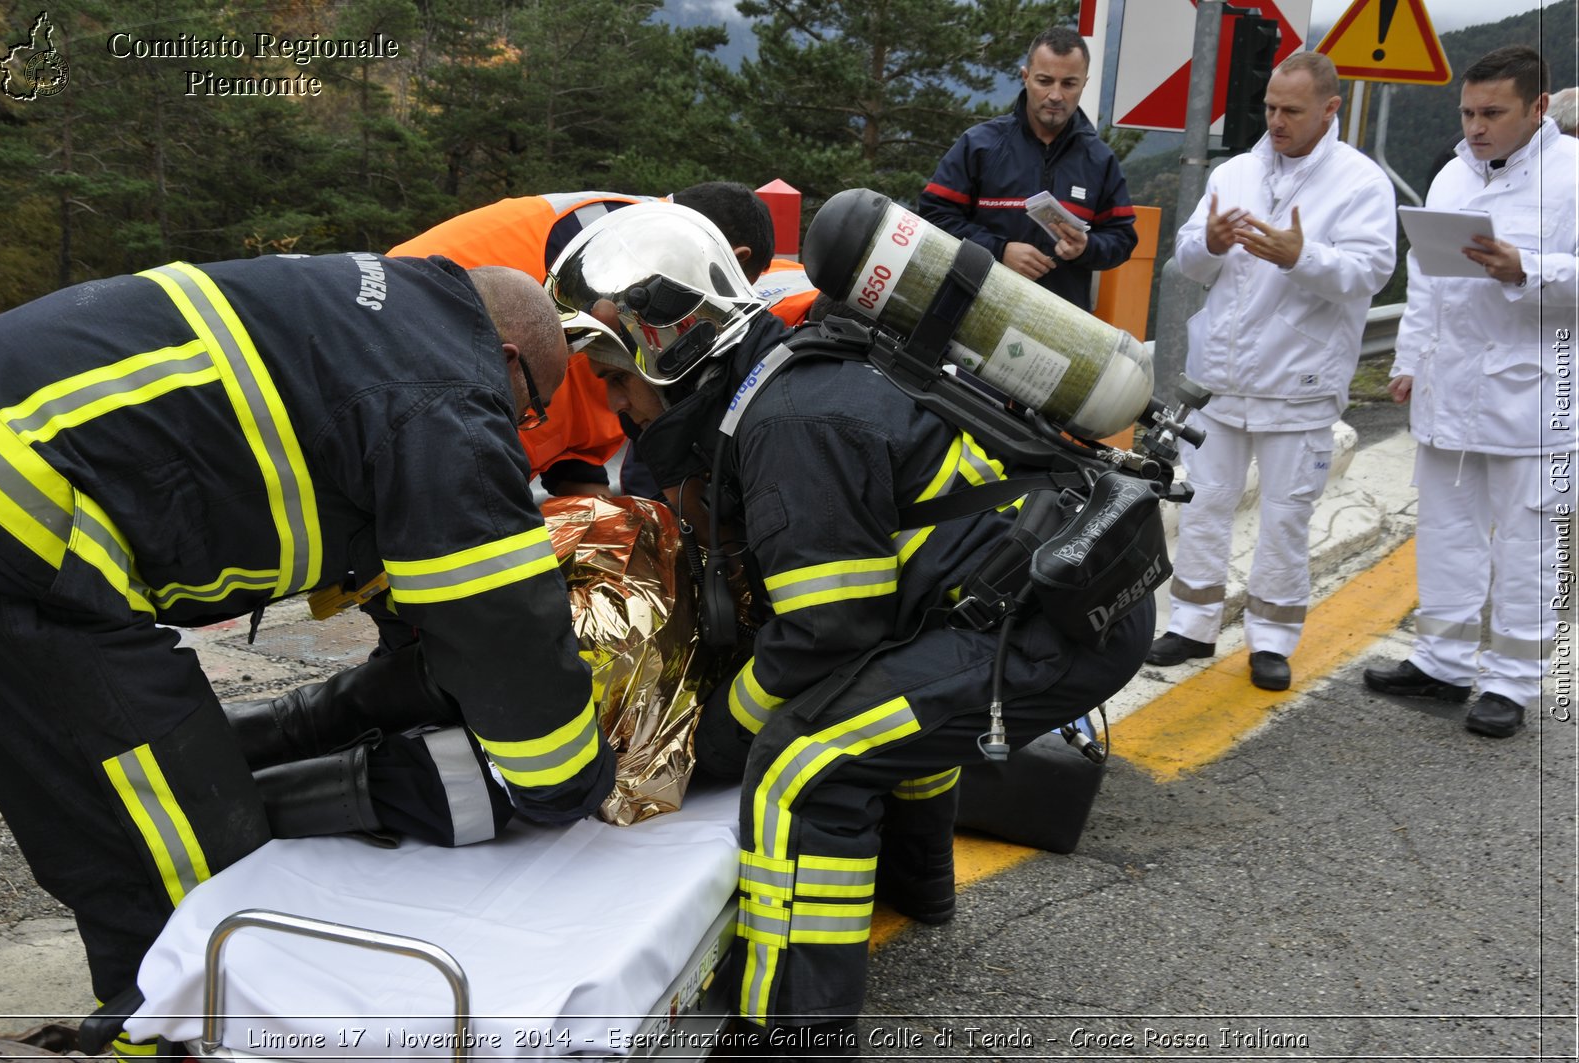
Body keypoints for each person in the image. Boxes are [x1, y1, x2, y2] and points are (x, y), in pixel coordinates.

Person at [550, 202, 1153, 1058]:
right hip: (1040, 593)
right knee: (881, 705)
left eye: (615, 377)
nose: (615, 406)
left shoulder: (790, 422)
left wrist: (711, 740)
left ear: (666, 345)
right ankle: (919, 887)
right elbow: (861, 626)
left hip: (1052, 623)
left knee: (804, 762)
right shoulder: (789, 378)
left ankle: (792, 1032)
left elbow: (828, 632)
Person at [0, 253, 617, 1013]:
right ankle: (177, 1028)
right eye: (529, 409)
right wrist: (567, 779)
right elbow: (498, 619)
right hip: (16, 530)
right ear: (509, 358)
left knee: (113, 781)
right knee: (180, 847)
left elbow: (385, 537)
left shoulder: (382, 313)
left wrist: (408, 654)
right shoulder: (443, 390)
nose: (521, 429)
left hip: (17, 506)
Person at [1145, 51, 1396, 692]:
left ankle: (1272, 639)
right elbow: (1188, 259)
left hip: (1299, 383)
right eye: (1270, 108)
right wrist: (1213, 243)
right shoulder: (1235, 171)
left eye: (1292, 110)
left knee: (1285, 514)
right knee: (1203, 502)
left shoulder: (1361, 182)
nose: (1277, 121)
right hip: (1221, 376)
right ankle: (1193, 624)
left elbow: (1371, 271)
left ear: (1330, 109)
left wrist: (1301, 256)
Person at [1363, 46, 1578, 738]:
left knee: (1529, 542)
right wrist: (1407, 360)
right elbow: (1425, 282)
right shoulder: (1454, 176)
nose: (1476, 126)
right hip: (1449, 389)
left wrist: (1528, 268)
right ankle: (1443, 662)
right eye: (1468, 111)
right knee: (1448, 534)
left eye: (1493, 113)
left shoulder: (1573, 177)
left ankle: (1511, 681)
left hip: (1536, 398)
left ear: (1538, 108)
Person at [390, 183, 792, 498]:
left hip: (407, 359)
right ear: (731, 259)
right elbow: (604, 372)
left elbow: (578, 386)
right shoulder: (619, 252)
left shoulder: (613, 224)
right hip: (419, 385)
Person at [918, 26, 1137, 312]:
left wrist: (1086, 247)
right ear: (1025, 77)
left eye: (1069, 84)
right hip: (975, 315)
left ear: (1084, 83)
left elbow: (1122, 239)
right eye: (1044, 81)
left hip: (1060, 325)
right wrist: (999, 251)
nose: (1055, 95)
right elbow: (933, 216)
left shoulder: (1099, 159)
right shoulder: (980, 145)